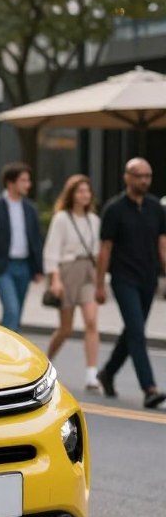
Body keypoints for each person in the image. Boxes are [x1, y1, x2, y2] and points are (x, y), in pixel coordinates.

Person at [95, 158, 166, 409]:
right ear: (127, 177)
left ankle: (108, 373)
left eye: (148, 175)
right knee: (137, 331)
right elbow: (105, 248)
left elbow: (162, 244)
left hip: (148, 279)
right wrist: (100, 284)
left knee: (131, 333)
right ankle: (149, 388)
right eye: (139, 176)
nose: (144, 180)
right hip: (123, 279)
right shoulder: (114, 209)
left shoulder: (156, 207)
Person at [43, 174, 102, 392]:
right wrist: (55, 280)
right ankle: (46, 361)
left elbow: (98, 252)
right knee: (66, 328)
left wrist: (100, 280)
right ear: (72, 194)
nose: (85, 195)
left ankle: (91, 375)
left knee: (91, 322)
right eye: (80, 191)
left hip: (88, 270)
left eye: (87, 191)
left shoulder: (94, 220)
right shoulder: (61, 219)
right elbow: (51, 251)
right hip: (67, 272)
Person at [0, 162, 44, 333]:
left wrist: (38, 268)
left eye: (28, 180)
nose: (28, 184)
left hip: (25, 267)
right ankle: (8, 353)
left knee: (17, 313)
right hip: (3, 267)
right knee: (12, 310)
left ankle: (11, 349)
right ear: (10, 182)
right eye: (23, 180)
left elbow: (36, 239)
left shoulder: (30, 208)